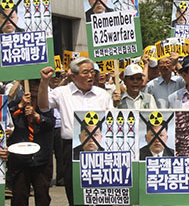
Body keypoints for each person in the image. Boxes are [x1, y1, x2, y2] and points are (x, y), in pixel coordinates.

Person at [38, 58, 113, 205]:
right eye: (85, 72)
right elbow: (43, 106)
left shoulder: (102, 94)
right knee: (75, 192)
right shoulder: (61, 93)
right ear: (73, 76)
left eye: (92, 72)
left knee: (101, 193)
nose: (90, 76)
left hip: (98, 149)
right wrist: (44, 82)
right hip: (71, 148)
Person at [8, 81, 55, 206]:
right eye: (32, 85)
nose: (34, 89)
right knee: (19, 196)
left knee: (42, 195)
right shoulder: (15, 104)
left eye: (37, 85)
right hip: (19, 158)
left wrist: (37, 116)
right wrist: (20, 106)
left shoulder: (45, 105)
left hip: (41, 158)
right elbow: (7, 122)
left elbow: (51, 124)